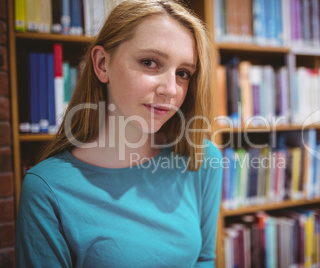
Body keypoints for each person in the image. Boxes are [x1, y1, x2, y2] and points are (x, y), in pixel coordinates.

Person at [15, 0, 223, 267]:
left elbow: (204, 258)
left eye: (183, 73)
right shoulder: (47, 189)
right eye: (150, 62)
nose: (170, 89)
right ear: (102, 64)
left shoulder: (201, 159)